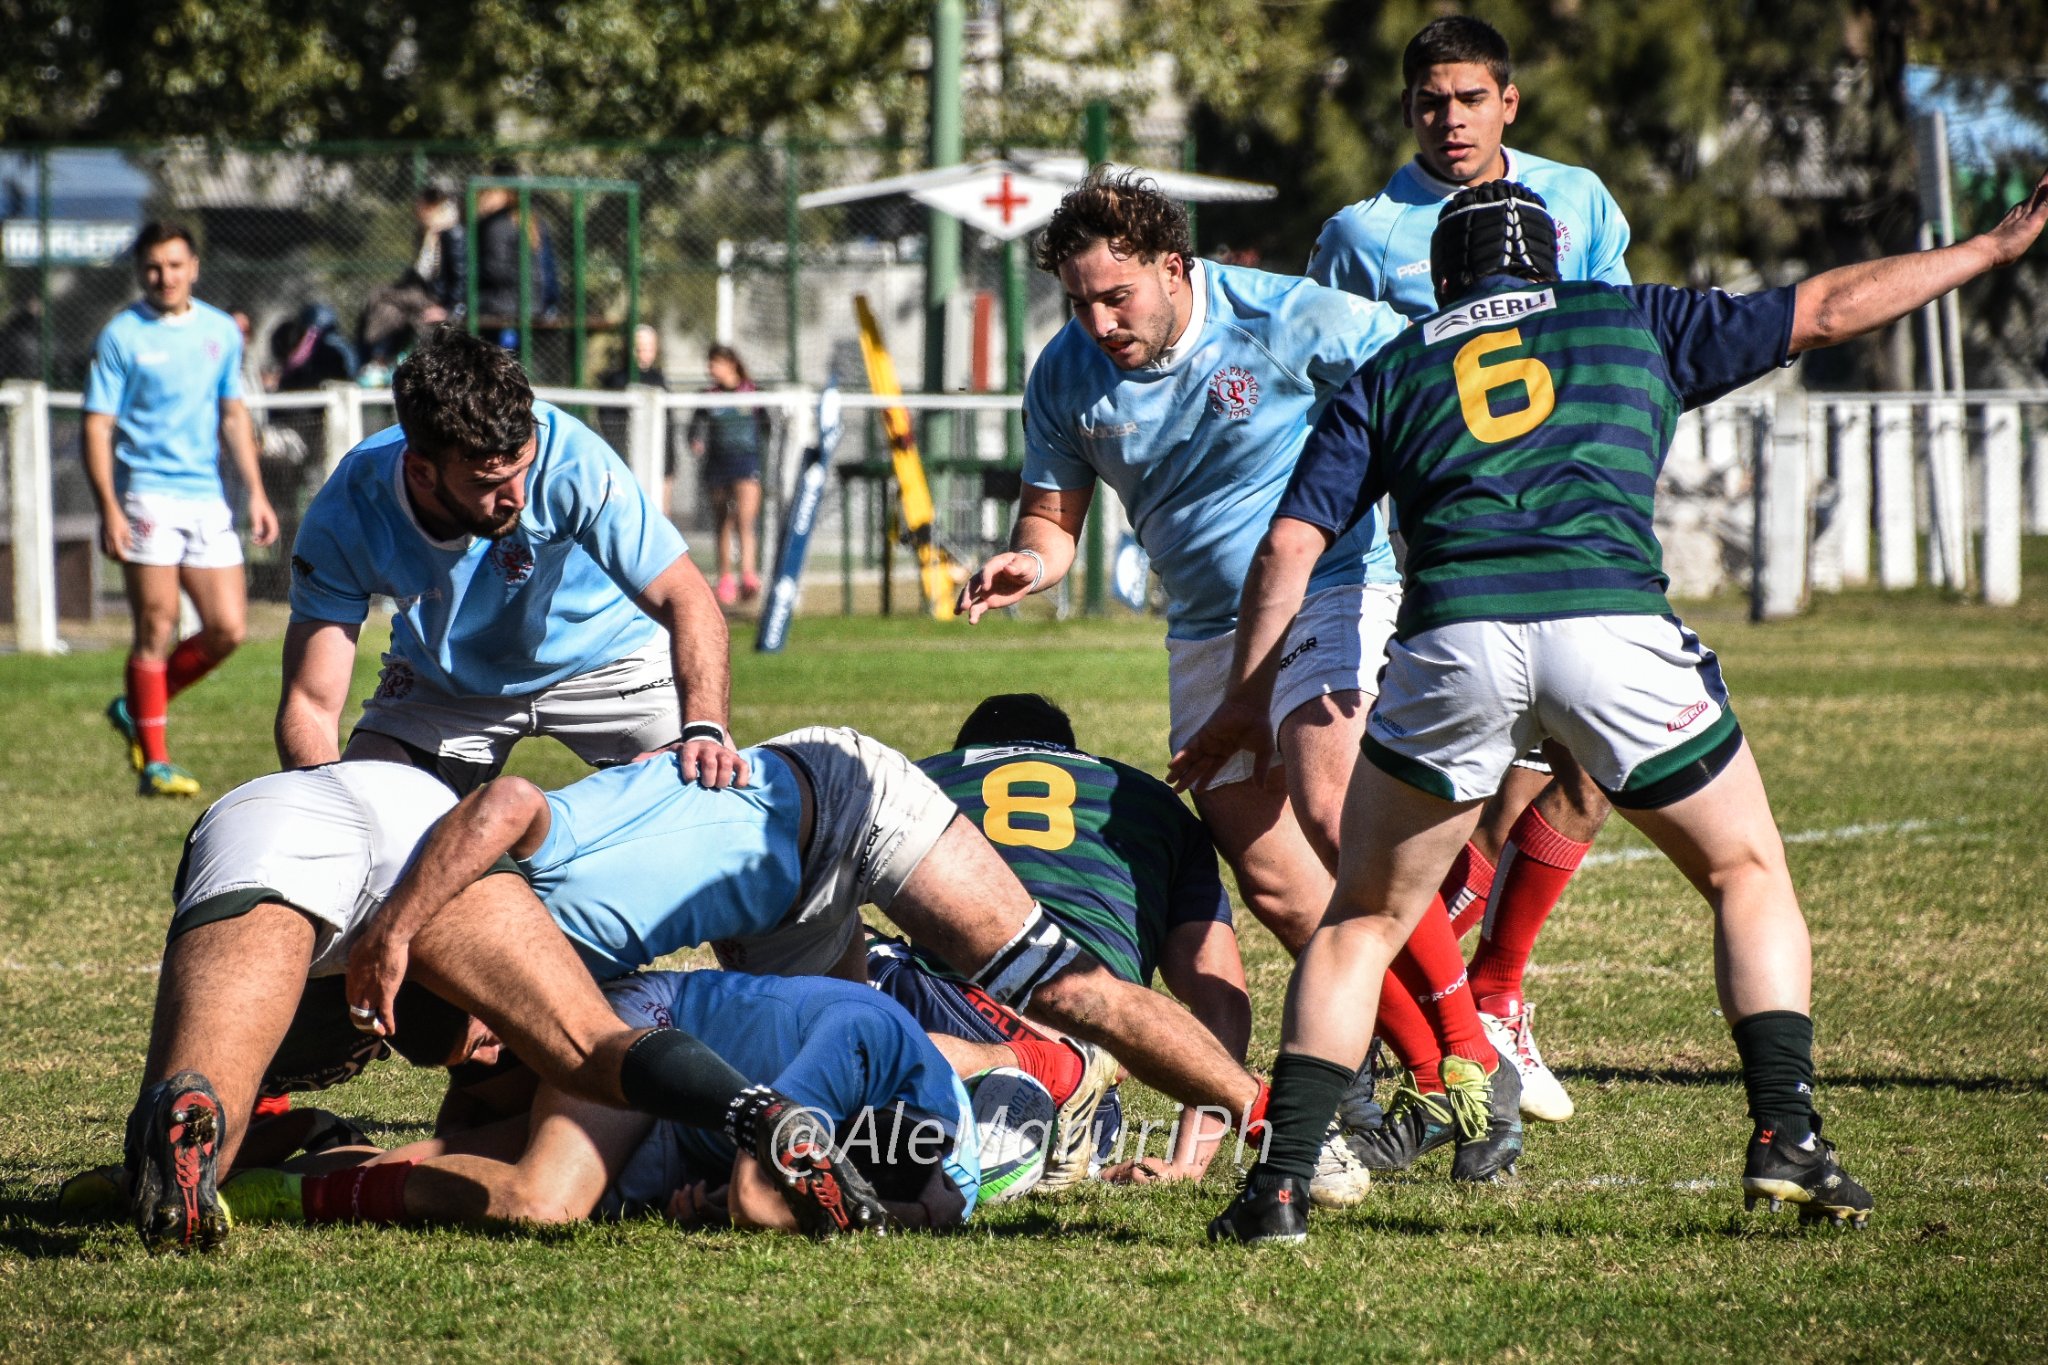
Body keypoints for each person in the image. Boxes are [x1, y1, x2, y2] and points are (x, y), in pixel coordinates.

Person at [1204, 174, 2048, 1244]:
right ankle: (1783, 1136)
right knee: (1742, 873)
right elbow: (1830, 306)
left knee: (1361, 923)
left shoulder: (1398, 361)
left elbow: (1288, 547)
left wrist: (1244, 702)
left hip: (1451, 639)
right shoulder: (1626, 318)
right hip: (1612, 634)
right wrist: (1985, 251)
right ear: (1549, 261)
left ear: (1441, 276)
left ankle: (1277, 1191)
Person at [958, 170, 1523, 1186]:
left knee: (1323, 799)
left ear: (1174, 269)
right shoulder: (1063, 375)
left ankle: (1470, 1059)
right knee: (1268, 872)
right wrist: (1026, 563)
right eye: (1078, 302)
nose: (1096, 321)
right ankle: (1418, 1059)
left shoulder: (1285, 315)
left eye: (1115, 297)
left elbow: (1428, 375)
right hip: (1203, 632)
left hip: (1333, 584)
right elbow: (1052, 519)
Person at [340, 726, 1271, 1180]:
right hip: (779, 903)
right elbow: (525, 1102)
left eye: (486, 1037)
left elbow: (501, 799)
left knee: (1066, 987)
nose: (504, 1042)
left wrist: (393, 927)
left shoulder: (521, 891)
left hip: (844, 802)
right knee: (850, 1056)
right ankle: (1017, 1079)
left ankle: (1270, 1118)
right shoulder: (563, 983)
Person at [122, 760, 886, 1254]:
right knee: (590, 1044)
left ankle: (198, 1101)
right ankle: (754, 1110)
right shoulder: (431, 1022)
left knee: (191, 1135)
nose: (489, 1047)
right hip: (416, 816)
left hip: (268, 826)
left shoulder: (345, 1026)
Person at [1306, 14, 1638, 1131]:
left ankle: (1486, 993)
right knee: (1466, 785)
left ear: (1507, 102)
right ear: (1407, 112)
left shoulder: (1576, 201)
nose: (1447, 119)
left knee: (1591, 769)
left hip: (1574, 529)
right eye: (1427, 102)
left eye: (1466, 98)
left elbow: (1612, 340)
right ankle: (1460, 1006)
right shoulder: (1361, 235)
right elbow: (1341, 388)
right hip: (1439, 548)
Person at [274, 326, 746, 796]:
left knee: (710, 803)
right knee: (372, 831)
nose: (517, 498)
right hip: (448, 687)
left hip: (610, 661)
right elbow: (310, 705)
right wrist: (336, 821)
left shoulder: (569, 457)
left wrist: (705, 729)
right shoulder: (347, 514)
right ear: (421, 471)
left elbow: (687, 597)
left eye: (523, 469)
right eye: (487, 482)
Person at [874, 692, 1301, 1193]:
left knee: (836, 943)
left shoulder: (925, 779)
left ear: (967, 751)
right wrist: (1189, 1161)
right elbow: (1219, 994)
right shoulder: (1152, 802)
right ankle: (1050, 1111)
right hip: (1097, 1056)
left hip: (955, 1011)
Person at [219, 969, 982, 1235]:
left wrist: (911, 1211)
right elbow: (760, 1196)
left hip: (691, 1136)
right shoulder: (864, 1043)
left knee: (459, 1157)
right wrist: (736, 1203)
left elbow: (925, 1197)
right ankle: (291, 1189)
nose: (829, 1181)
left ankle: (310, 1145)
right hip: (647, 1031)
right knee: (542, 1197)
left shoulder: (949, 1155)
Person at [85, 222, 279, 797]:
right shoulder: (122, 335)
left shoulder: (221, 331)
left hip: (205, 497)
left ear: (193, 267)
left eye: (174, 265)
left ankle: (136, 707)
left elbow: (232, 414)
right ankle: (157, 762)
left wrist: (258, 492)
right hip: (146, 493)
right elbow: (97, 426)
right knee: (158, 625)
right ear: (140, 271)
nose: (163, 276)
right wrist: (110, 508)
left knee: (228, 629)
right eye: (152, 267)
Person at [686, 344, 770, 606]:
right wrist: (696, 441)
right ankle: (725, 578)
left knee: (745, 519)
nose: (712, 370)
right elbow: (694, 428)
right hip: (717, 465)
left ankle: (748, 574)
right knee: (723, 521)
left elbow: (767, 427)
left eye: (717, 364)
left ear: (731, 363)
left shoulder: (752, 393)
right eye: (710, 365)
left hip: (746, 463)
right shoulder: (708, 395)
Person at [357, 184, 466, 373]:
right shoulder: (428, 233)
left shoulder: (452, 233)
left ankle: (369, 355)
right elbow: (420, 271)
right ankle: (378, 360)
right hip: (422, 292)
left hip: (436, 298)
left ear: (432, 206)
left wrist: (449, 310)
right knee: (388, 309)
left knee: (379, 295)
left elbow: (461, 277)